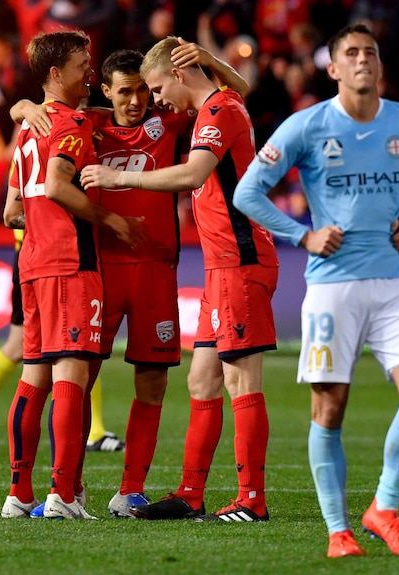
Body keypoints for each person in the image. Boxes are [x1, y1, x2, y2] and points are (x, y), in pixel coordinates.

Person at [232, 24, 399, 557]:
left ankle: (383, 509)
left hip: (393, 281)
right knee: (329, 410)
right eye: (350, 54)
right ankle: (338, 531)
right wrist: (301, 234)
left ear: (379, 65)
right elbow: (248, 191)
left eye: (369, 53)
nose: (362, 61)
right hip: (333, 288)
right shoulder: (308, 126)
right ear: (332, 68)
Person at [13, 41, 250, 518]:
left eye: (143, 90)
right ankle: (71, 486)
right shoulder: (90, 124)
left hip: (157, 270)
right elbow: (40, 116)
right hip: (99, 270)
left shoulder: (173, 123)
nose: (136, 101)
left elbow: (236, 95)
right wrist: (26, 106)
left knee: (153, 385)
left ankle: (131, 489)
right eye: (125, 92)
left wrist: (207, 60)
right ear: (106, 91)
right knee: (78, 379)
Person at [81, 36, 278, 523]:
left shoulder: (218, 111)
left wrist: (118, 178)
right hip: (219, 267)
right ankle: (191, 494)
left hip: (239, 259)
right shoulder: (220, 103)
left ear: (179, 72)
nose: (154, 98)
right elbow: (240, 86)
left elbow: (192, 176)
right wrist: (211, 61)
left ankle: (251, 500)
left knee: (240, 378)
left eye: (156, 85)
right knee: (202, 378)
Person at [0, 30, 142, 520]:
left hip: (33, 265)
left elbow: (11, 212)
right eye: (83, 64)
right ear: (56, 73)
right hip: (70, 265)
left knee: (33, 376)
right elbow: (59, 186)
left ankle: (19, 494)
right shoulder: (72, 124)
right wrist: (109, 219)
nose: (90, 71)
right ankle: (63, 495)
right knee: (72, 376)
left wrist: (20, 107)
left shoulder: (26, 131)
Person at [0, 228, 125, 453]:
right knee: (29, 348)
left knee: (79, 344)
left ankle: (95, 432)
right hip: (39, 257)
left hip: (63, 257)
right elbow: (13, 213)